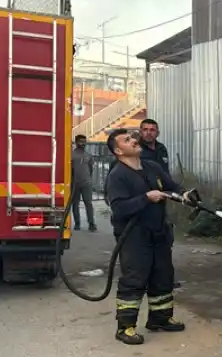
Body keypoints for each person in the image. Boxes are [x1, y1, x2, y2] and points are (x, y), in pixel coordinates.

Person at [105, 128, 190, 345]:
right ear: (118, 151)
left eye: (132, 137)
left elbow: (172, 186)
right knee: (134, 280)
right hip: (134, 237)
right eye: (126, 140)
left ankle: (160, 319)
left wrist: (185, 194)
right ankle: (125, 327)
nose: (133, 140)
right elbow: (119, 208)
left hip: (159, 232)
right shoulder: (117, 175)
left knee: (162, 277)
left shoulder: (152, 167)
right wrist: (146, 197)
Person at [137, 119, 183, 289]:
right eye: (145, 129)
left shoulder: (161, 149)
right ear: (140, 131)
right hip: (144, 201)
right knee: (144, 243)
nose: (149, 133)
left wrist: (177, 191)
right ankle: (145, 279)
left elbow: (166, 175)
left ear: (158, 132)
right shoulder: (136, 150)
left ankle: (165, 279)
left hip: (162, 200)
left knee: (165, 239)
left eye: (152, 130)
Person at [71, 134, 97, 232]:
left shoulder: (88, 155)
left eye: (84, 141)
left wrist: (87, 179)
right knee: (75, 204)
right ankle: (77, 224)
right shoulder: (71, 155)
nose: (83, 143)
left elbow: (90, 169)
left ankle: (91, 224)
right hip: (74, 184)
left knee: (88, 203)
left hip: (86, 183)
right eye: (81, 141)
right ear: (76, 142)